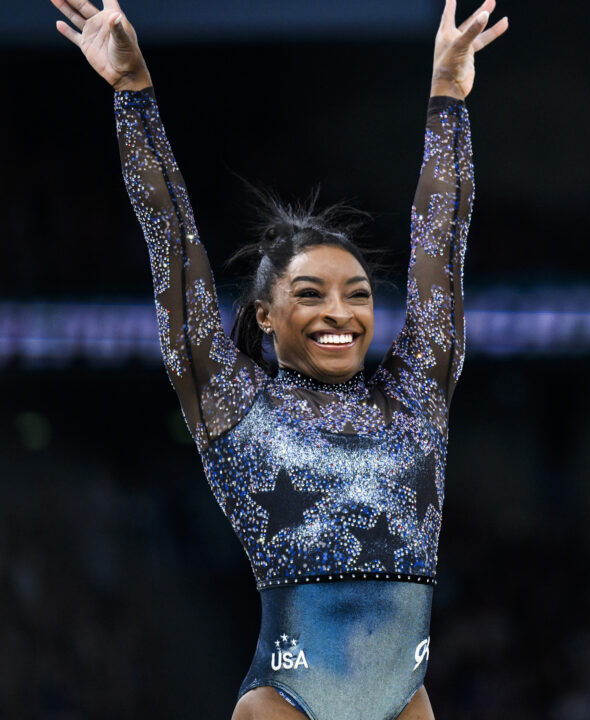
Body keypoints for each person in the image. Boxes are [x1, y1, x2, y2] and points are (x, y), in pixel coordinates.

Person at [50, 0, 508, 717]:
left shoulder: (416, 395)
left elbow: (441, 250)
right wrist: (133, 93)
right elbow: (172, 244)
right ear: (265, 314)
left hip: (405, 702)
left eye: (357, 294)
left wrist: (448, 100)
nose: (339, 312)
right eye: (311, 294)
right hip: (285, 702)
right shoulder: (234, 403)